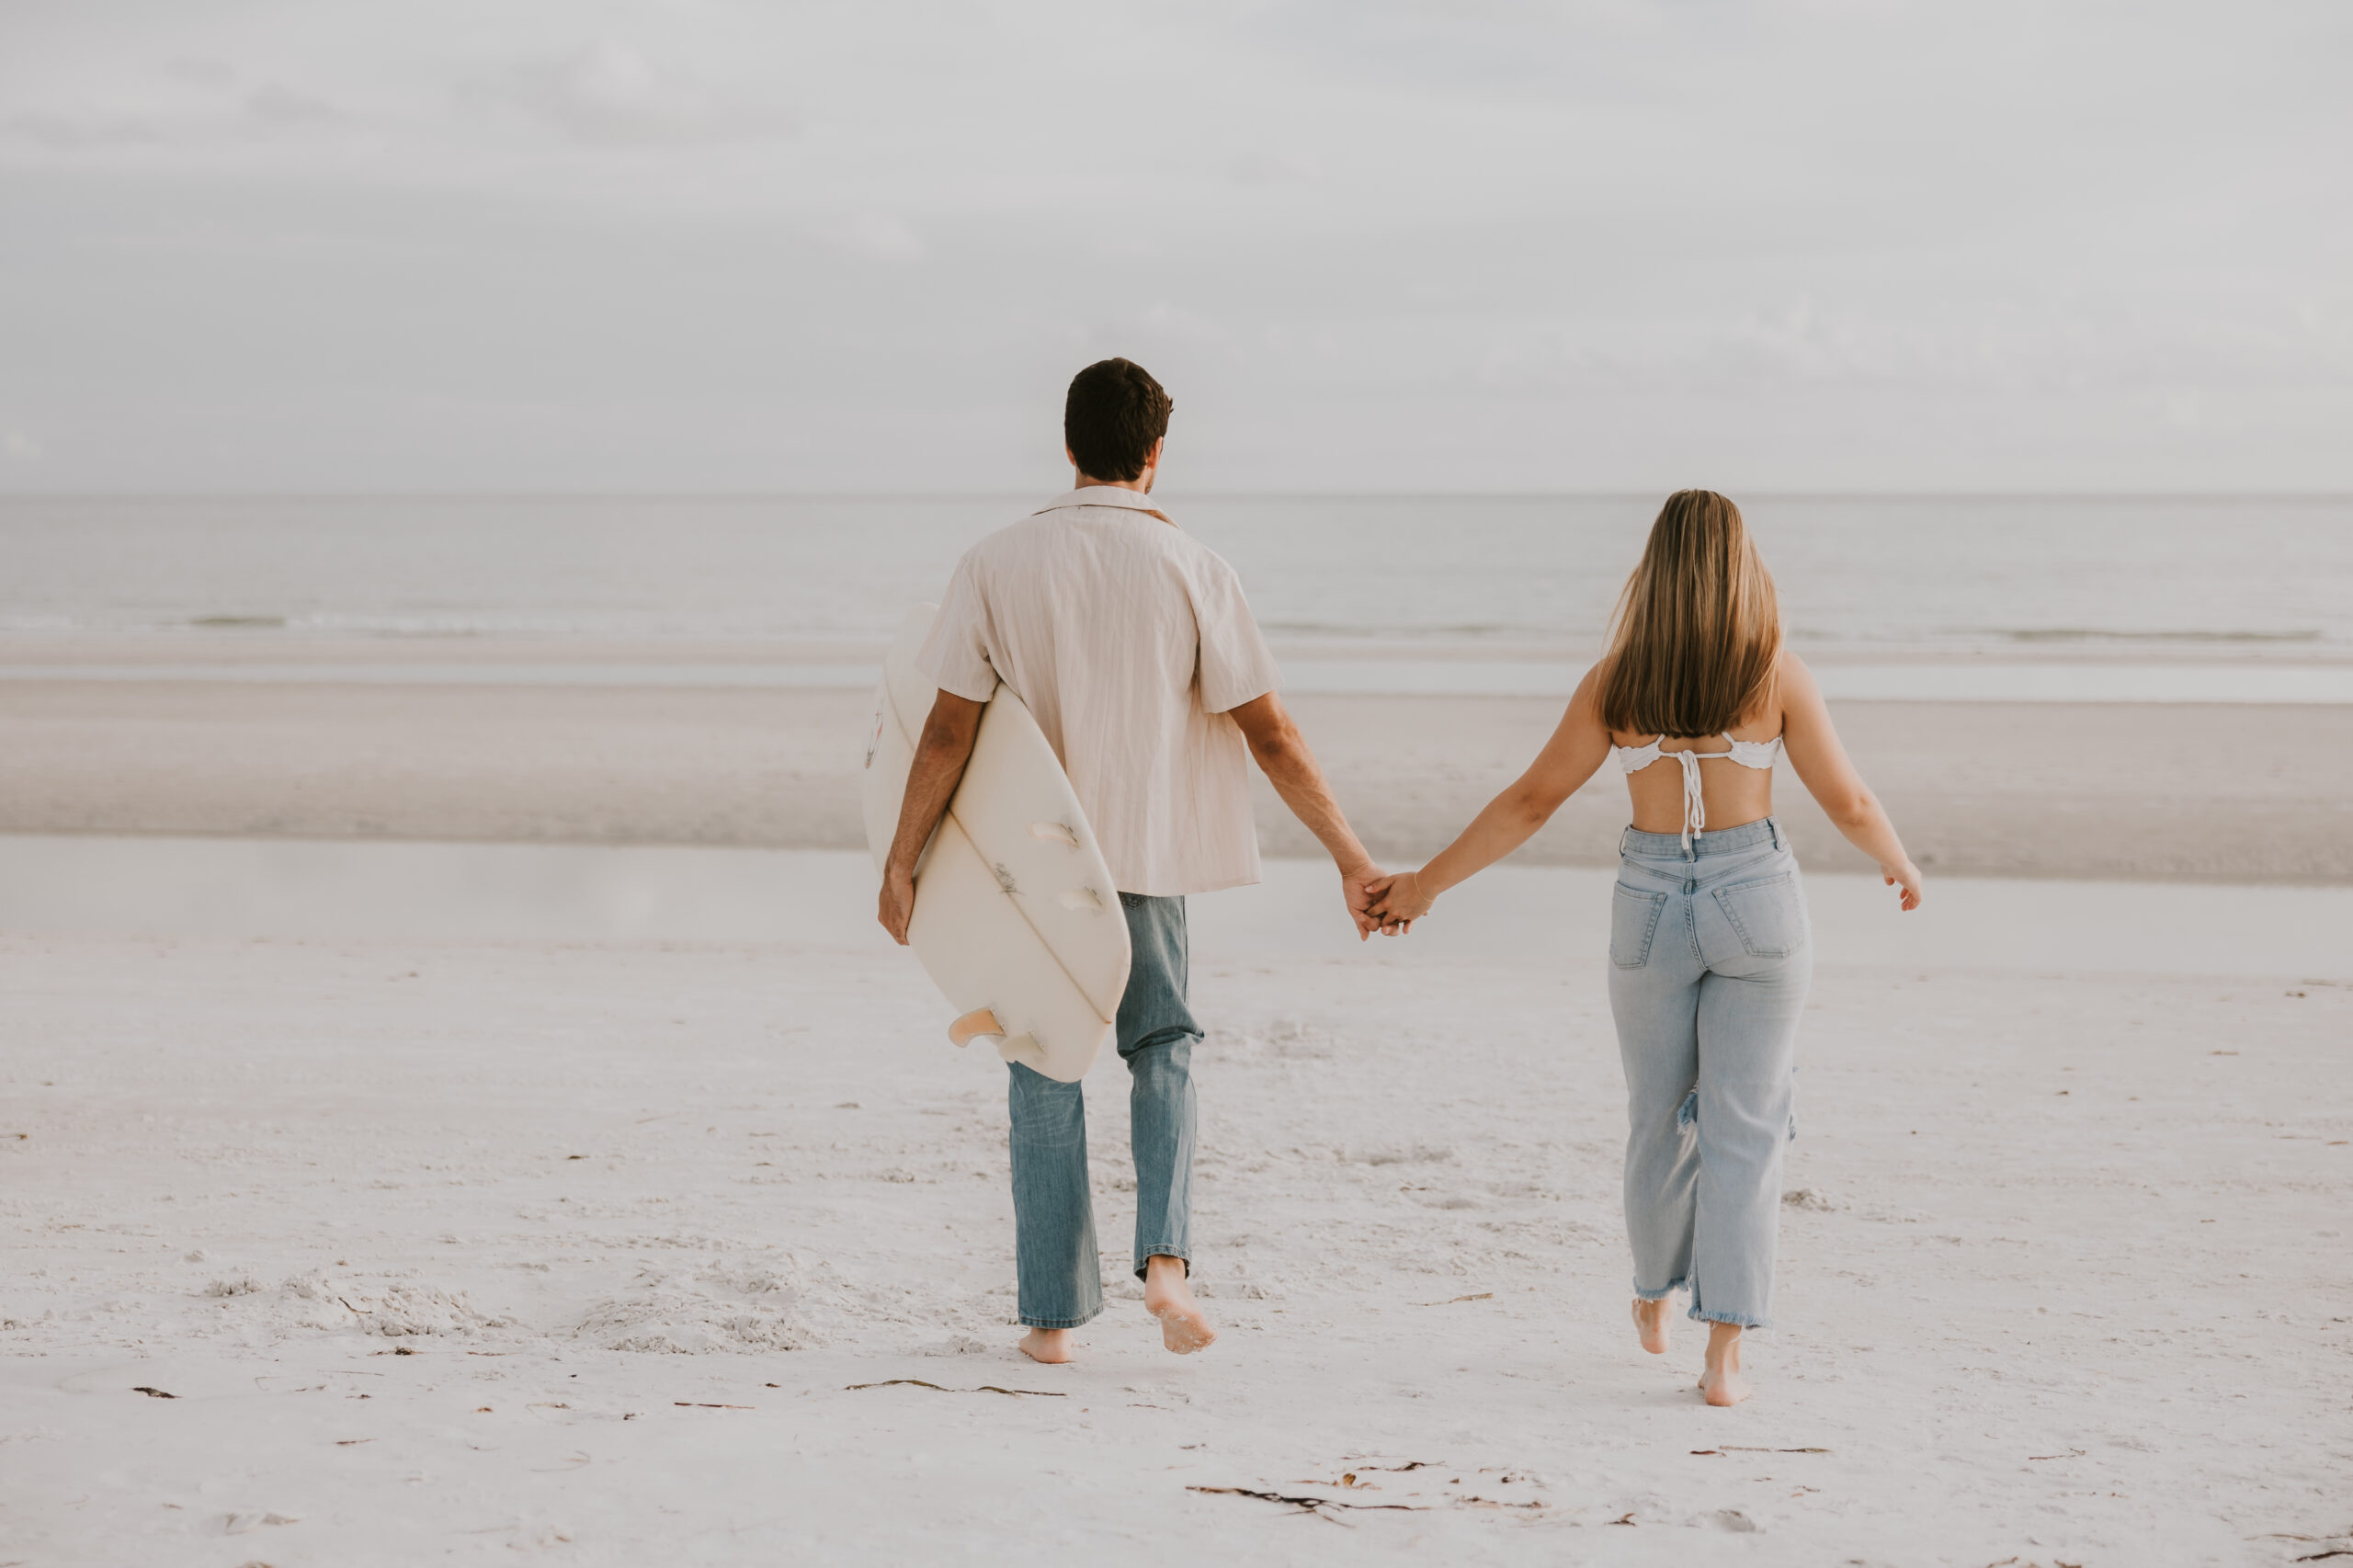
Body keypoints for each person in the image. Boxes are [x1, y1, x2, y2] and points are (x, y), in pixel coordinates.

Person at [878, 358, 1387, 1364]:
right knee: (1162, 1048)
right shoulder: (1195, 567)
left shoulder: (993, 562)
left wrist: (902, 859)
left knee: (1040, 1058)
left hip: (1030, 878)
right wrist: (1350, 857)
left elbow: (944, 731)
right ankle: (1166, 1264)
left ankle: (1052, 1318)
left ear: (1069, 448)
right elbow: (1271, 732)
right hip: (1145, 857)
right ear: (1154, 455)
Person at [1365, 489, 1923, 1406]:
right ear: (1741, 568)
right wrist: (1896, 859)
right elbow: (1848, 799)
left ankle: (1654, 1296)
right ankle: (1724, 1353)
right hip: (1756, 900)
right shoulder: (1774, 671)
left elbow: (1530, 801)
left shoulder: (1616, 679)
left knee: (1657, 1116)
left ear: (1654, 571)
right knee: (1744, 1127)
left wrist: (1423, 885)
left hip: (1651, 902)